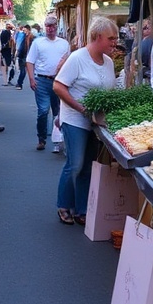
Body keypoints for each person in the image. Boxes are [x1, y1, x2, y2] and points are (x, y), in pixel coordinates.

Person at [53, 17, 119, 225]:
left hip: (96, 122)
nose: (114, 42)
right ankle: (64, 205)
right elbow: (58, 86)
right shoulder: (77, 58)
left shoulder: (108, 62)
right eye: (111, 38)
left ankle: (81, 209)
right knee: (75, 164)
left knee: (89, 166)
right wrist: (82, 109)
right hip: (75, 119)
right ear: (97, 37)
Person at [26, 14, 71, 150]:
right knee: (43, 110)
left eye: (52, 26)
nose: (49, 29)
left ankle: (57, 141)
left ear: (56, 27)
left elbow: (68, 62)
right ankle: (42, 138)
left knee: (58, 112)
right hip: (42, 80)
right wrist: (31, 78)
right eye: (47, 26)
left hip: (59, 80)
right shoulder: (38, 43)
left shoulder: (64, 44)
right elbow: (30, 61)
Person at [15, 24, 31, 89]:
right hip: (23, 55)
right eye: (23, 30)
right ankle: (19, 83)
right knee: (23, 71)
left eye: (25, 30)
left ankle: (19, 83)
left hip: (25, 55)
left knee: (23, 71)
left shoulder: (30, 37)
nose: (24, 31)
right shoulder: (24, 36)